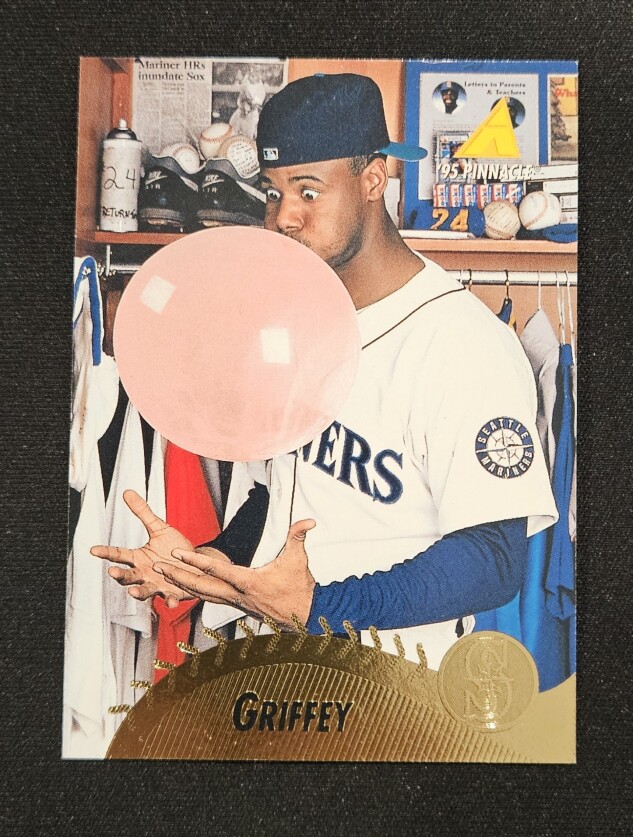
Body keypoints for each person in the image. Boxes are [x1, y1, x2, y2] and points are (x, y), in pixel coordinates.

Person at [92, 73, 557, 668]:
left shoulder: (462, 343)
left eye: (308, 191)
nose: (284, 217)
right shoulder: (296, 321)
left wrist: (321, 608)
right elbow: (282, 496)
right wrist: (209, 563)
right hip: (277, 673)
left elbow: (493, 559)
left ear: (373, 179)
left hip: (390, 688)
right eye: (273, 192)